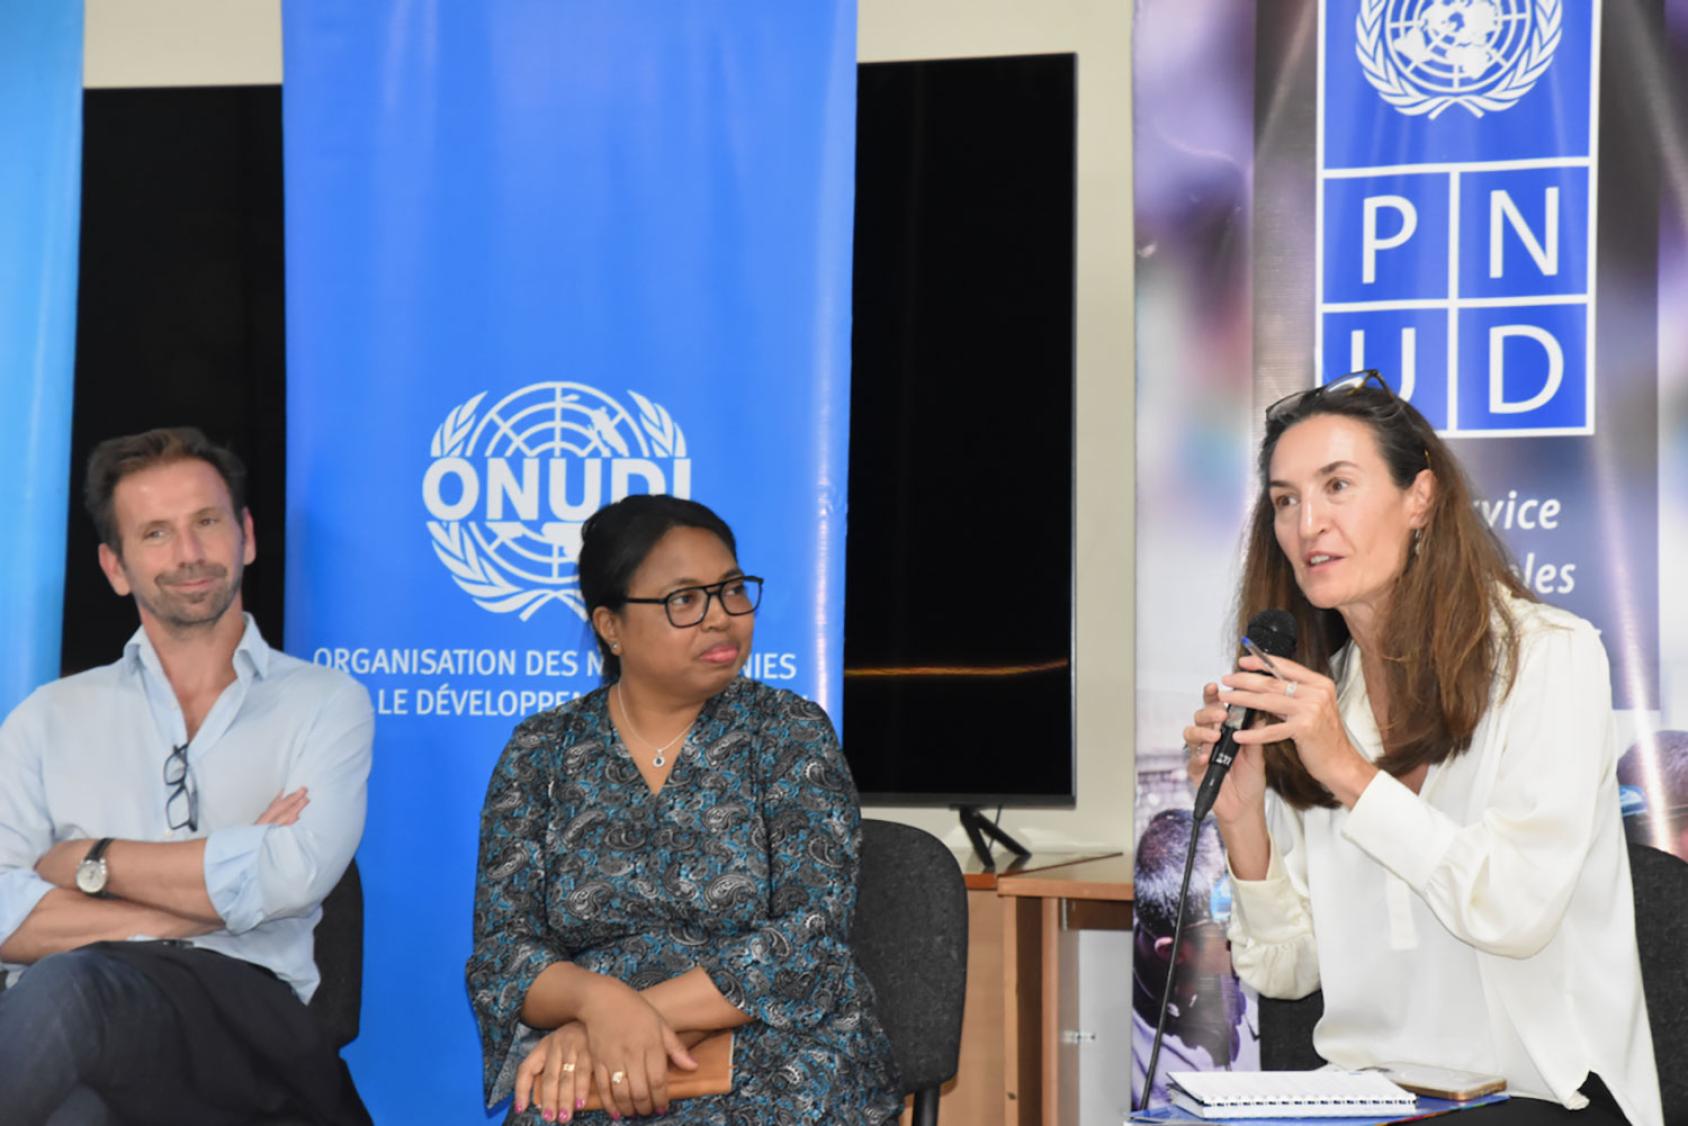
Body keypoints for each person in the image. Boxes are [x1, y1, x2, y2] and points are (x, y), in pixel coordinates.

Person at [1182, 371, 1663, 1126]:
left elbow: (1513, 913)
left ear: (1421, 498)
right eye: (1285, 500)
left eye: (1337, 486)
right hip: (1366, 1095)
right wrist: (1242, 821)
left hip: (1540, 1093)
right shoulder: (1320, 698)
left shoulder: (1549, 657)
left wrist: (1348, 770)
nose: (1308, 523)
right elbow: (1286, 971)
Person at [466, 494, 901, 1125]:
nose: (720, 617)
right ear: (611, 626)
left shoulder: (786, 731)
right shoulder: (542, 750)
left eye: (731, 590)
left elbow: (808, 939)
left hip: (769, 1045)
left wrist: (615, 1032)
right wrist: (599, 1005)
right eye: (685, 599)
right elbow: (504, 955)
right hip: (594, 1062)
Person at [0, 427, 374, 1126]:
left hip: (249, 1028)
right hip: (94, 1020)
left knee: (70, 988)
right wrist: (195, 905)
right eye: (156, 534)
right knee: (77, 1111)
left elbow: (290, 878)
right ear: (115, 567)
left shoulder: (326, 703)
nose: (189, 554)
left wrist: (91, 861)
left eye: (206, 522)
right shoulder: (46, 717)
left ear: (246, 537)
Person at [1131, 808, 1255, 1108]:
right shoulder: (1128, 1039)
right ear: (1173, 951)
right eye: (1227, 924)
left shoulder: (1256, 965)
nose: (1247, 931)